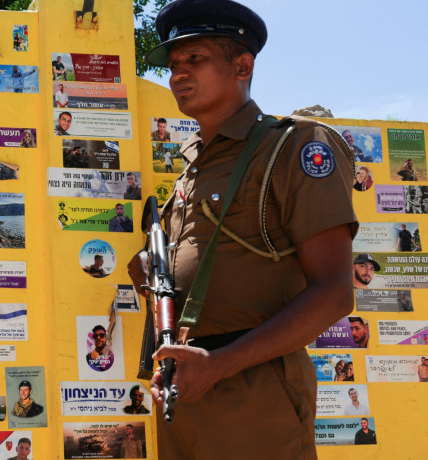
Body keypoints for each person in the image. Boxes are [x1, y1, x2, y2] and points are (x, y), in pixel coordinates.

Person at [127, 1, 357, 457]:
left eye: (195, 59)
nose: (178, 74)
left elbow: (334, 291)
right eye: (173, 65)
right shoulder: (192, 168)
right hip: (184, 385)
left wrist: (219, 364)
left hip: (254, 385)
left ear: (242, 65)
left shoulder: (294, 146)